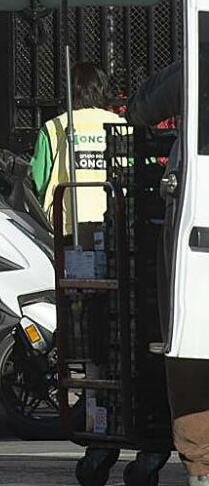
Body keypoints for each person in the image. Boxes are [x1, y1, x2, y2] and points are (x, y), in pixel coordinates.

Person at [126, 60, 209, 486]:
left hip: (197, 210)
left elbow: (141, 109)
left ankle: (200, 463)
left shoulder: (202, 59)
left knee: (190, 335)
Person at [30, 62, 125, 236]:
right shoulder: (123, 125)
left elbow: (38, 181)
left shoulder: (53, 127)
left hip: (66, 226)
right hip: (117, 222)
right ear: (103, 88)